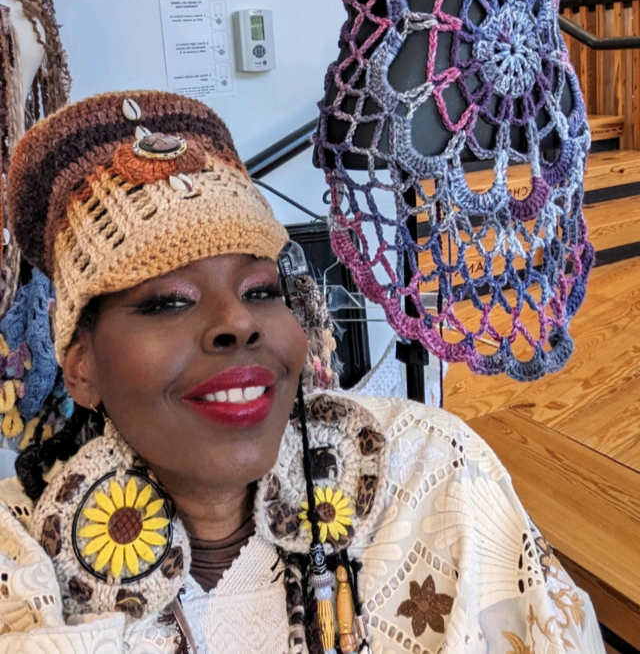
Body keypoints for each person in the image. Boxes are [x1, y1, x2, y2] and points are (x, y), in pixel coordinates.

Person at [0, 90, 605, 652]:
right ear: (80, 366)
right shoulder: (20, 567)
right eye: (169, 302)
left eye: (262, 291)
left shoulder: (429, 474)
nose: (239, 321)